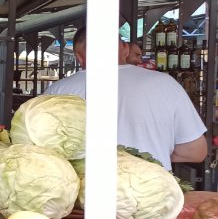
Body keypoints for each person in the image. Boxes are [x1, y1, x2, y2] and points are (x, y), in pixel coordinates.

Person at [45, 27, 206, 169]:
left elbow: (43, 151)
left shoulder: (57, 91)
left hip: (85, 196)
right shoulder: (166, 84)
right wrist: (152, 151)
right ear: (125, 50)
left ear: (79, 57)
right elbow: (196, 152)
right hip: (153, 194)